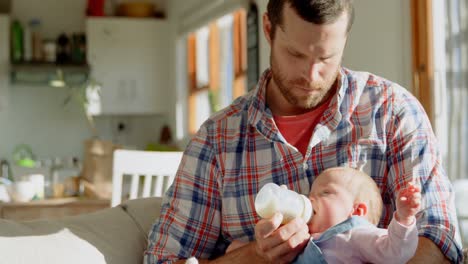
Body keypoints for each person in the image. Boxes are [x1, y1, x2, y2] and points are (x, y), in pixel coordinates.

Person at [144, 0, 463, 263]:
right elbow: (163, 259)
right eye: (295, 54)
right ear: (269, 29)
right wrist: (256, 256)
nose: (311, 75)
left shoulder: (392, 111)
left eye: (326, 58)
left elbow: (438, 241)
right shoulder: (217, 141)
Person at [293, 167, 420, 263]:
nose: (310, 199)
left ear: (357, 212)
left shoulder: (355, 234)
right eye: (310, 194)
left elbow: (396, 252)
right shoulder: (302, 240)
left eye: (325, 192)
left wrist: (403, 219)